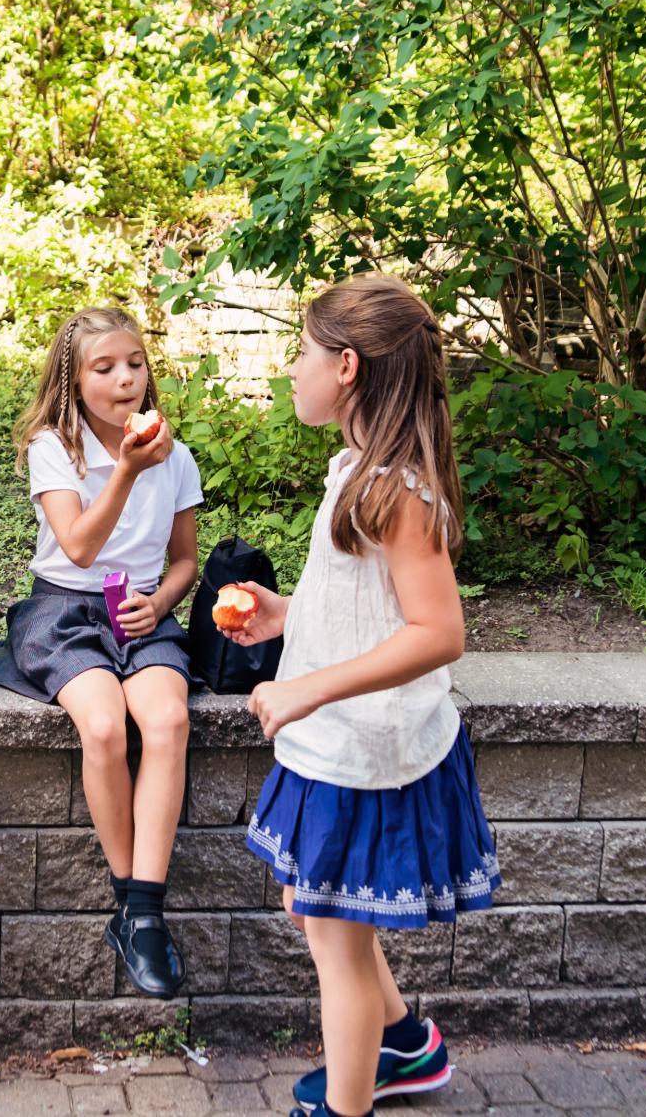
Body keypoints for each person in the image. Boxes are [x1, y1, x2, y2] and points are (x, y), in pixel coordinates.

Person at [224, 274, 499, 1116]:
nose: (292, 371)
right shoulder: (359, 468)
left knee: (337, 947)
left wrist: (305, 687)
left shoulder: (394, 488)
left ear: (346, 367)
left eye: (300, 354)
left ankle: (347, 1105)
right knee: (312, 910)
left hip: (362, 752)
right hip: (336, 741)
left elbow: (438, 632)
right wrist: (283, 618)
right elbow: (367, 604)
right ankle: (408, 1046)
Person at [0, 306, 202, 997]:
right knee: (104, 725)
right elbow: (77, 546)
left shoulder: (176, 455)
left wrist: (160, 606)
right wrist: (127, 472)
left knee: (166, 722)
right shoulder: (57, 448)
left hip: (139, 613)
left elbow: (185, 561)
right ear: (76, 382)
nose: (125, 378)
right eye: (105, 368)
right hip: (64, 612)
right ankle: (130, 902)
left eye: (134, 363)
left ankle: (144, 915)